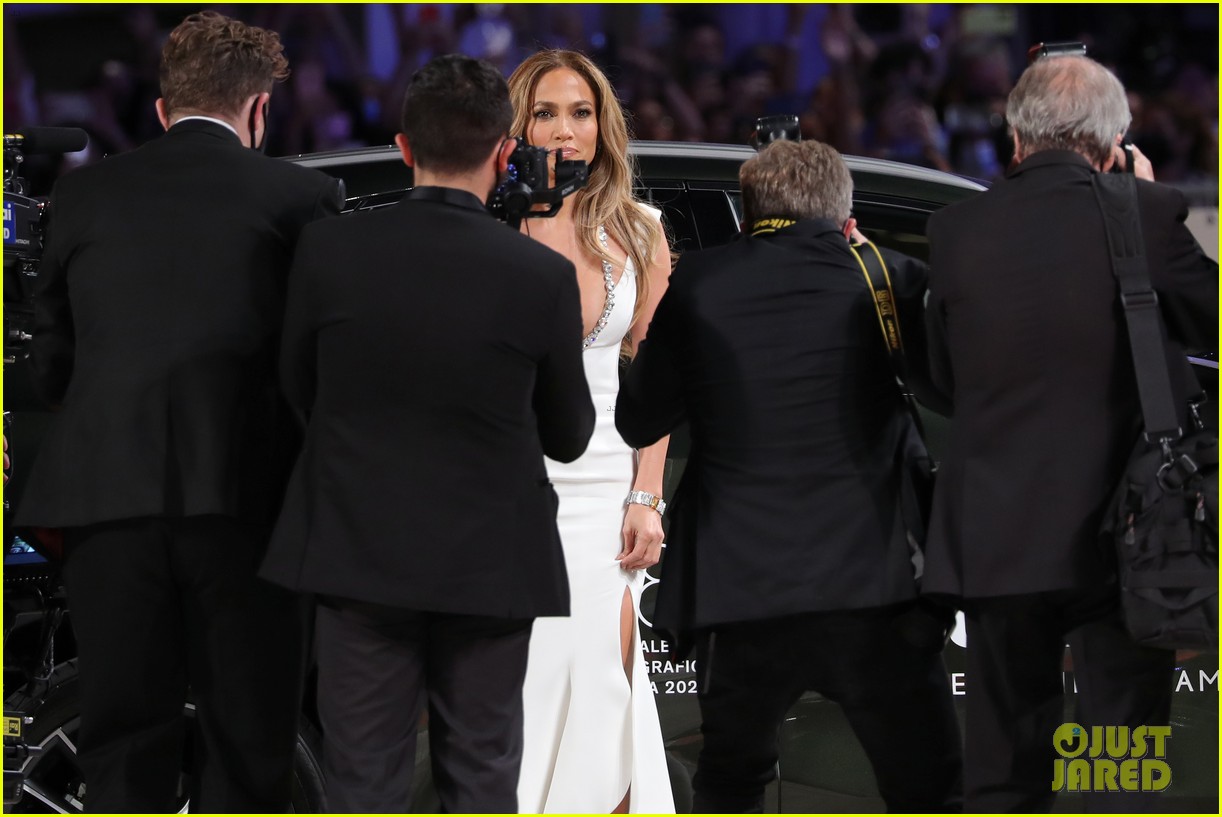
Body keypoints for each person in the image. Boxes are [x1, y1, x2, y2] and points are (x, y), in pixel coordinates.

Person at [13, 11, 344, 812]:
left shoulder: (84, 195)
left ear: (163, 109)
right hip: (250, 509)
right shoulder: (304, 196)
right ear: (260, 109)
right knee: (251, 737)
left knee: (124, 740)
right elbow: (321, 364)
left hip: (107, 508)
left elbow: (49, 365)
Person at [257, 54, 596, 813]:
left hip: (357, 558)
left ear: (404, 149)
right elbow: (570, 434)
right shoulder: (537, 275)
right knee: (480, 780)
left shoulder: (331, 249)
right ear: (507, 152)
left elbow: (296, 387)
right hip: (490, 567)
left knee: (361, 783)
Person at [616, 138, 963, 814]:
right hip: (877, 588)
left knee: (732, 782)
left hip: (742, 594)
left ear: (748, 215)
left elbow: (638, 418)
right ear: (845, 214)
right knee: (927, 789)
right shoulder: (886, 275)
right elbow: (944, 392)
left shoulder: (699, 283)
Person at [921, 54, 1218, 812]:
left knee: (1002, 772)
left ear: (1015, 139)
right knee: (1116, 771)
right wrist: (1141, 202)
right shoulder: (1145, 213)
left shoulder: (956, 230)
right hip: (1120, 539)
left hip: (994, 539)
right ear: (1115, 144)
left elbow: (945, 382)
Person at [505, 49, 676, 814]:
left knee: (608, 693)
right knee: (529, 701)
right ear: (520, 126)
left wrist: (648, 494)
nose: (566, 130)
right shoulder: (495, 226)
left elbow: (655, 381)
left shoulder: (641, 230)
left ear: (604, 127)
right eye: (546, 113)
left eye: (581, 113)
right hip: (513, 493)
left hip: (608, 495)